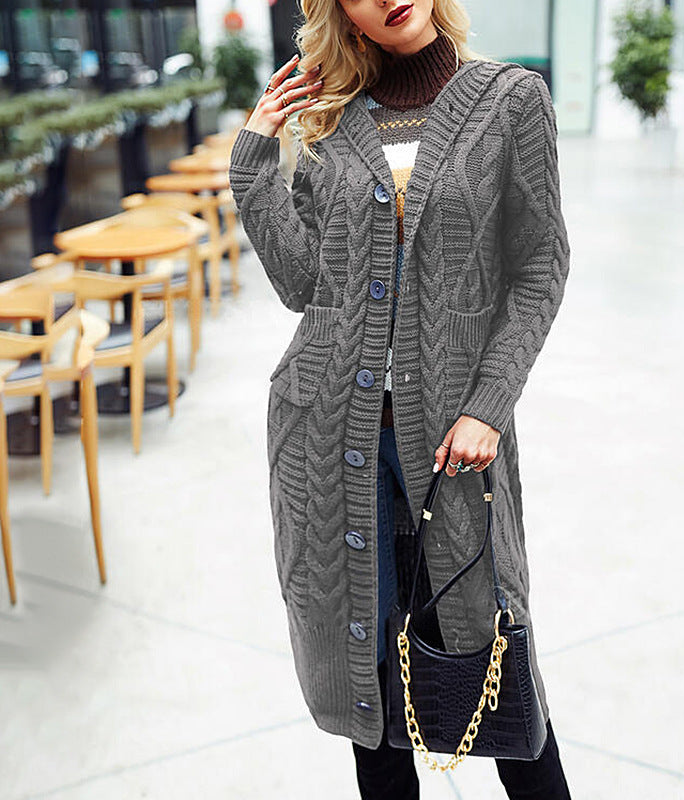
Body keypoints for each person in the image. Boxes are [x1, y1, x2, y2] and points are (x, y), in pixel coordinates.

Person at [228, 1, 572, 797]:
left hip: (453, 440)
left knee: (492, 660)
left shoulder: (511, 99)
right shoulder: (332, 123)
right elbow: (303, 285)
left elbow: (539, 267)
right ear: (344, 16)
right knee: (370, 677)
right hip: (329, 437)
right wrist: (255, 162)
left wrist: (489, 403)